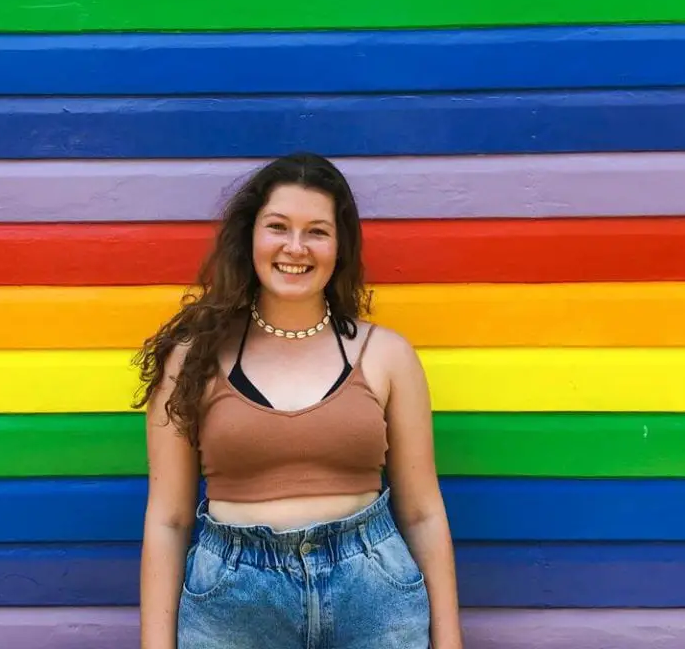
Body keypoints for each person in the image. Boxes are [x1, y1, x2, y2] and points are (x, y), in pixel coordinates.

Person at [133, 152, 463, 649]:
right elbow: (169, 519)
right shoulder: (193, 359)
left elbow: (422, 513)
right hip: (233, 603)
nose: (295, 247)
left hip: (373, 599)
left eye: (317, 231)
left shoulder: (387, 356)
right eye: (278, 226)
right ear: (250, 237)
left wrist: (450, 642)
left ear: (339, 246)